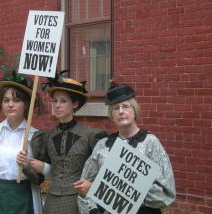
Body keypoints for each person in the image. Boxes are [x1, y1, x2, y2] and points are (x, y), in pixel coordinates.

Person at [76, 82, 176, 214]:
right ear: (111, 115)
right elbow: (85, 188)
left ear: (135, 111)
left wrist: (100, 188)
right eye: (116, 108)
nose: (121, 111)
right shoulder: (102, 145)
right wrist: (93, 210)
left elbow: (166, 193)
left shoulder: (150, 143)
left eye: (125, 106)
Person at [18, 71, 109, 214]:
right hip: (52, 202)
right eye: (55, 101)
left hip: (78, 201)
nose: (57, 105)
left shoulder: (90, 135)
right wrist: (26, 166)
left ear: (75, 104)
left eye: (63, 101)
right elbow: (38, 179)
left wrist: (92, 185)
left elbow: (105, 172)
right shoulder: (47, 137)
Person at [0, 70, 44, 214]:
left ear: (25, 104)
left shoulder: (37, 137)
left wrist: (29, 165)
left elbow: (43, 175)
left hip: (22, 199)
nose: (10, 104)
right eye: (6, 100)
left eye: (16, 100)